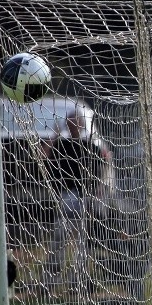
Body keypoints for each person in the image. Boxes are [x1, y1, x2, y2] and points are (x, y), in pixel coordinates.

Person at [45, 110, 111, 287]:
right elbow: (43, 157)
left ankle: (78, 281)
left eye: (76, 122)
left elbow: (105, 166)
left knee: (83, 240)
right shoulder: (61, 145)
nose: (73, 126)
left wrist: (99, 189)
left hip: (85, 196)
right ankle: (51, 281)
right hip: (66, 194)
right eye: (70, 123)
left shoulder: (91, 146)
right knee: (60, 238)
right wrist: (54, 135)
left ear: (82, 125)